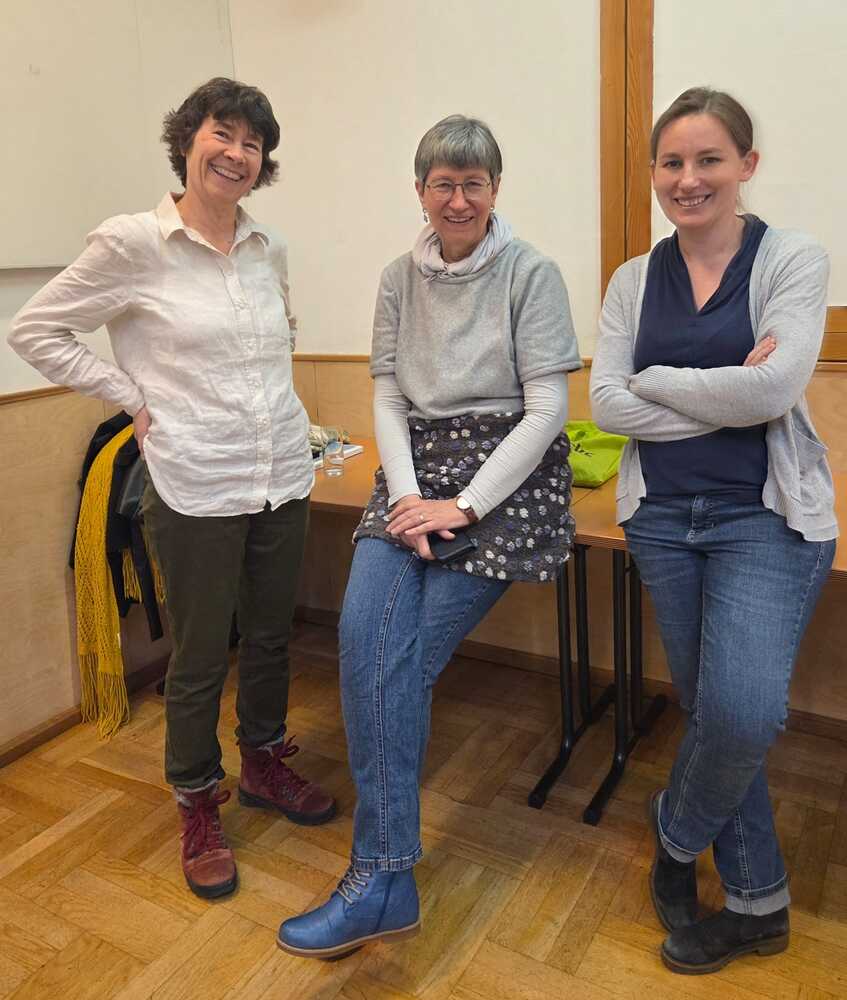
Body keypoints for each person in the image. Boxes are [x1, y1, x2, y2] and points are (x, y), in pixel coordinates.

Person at [8, 77, 336, 900]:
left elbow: (270, 348)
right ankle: (196, 798)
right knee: (198, 654)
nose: (236, 153)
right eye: (222, 134)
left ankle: (263, 762)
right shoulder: (133, 243)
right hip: (194, 482)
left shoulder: (268, 247)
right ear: (188, 140)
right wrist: (129, 395)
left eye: (252, 144)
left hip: (280, 472)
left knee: (271, 635)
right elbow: (35, 328)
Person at [277, 114, 582, 958]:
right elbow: (386, 395)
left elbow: (547, 410)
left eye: (472, 184)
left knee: (394, 660)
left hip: (505, 478)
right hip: (413, 474)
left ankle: (380, 877)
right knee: (361, 638)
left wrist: (464, 506)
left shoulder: (530, 272)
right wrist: (411, 498)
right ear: (419, 191)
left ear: (494, 190)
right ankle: (387, 880)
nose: (457, 200)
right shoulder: (396, 278)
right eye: (442, 184)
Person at [590, 87, 837, 975]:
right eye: (671, 162)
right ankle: (757, 903)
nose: (686, 179)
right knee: (710, 713)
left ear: (745, 166)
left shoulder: (792, 258)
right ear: (654, 172)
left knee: (742, 711)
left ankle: (674, 832)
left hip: (762, 518)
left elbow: (771, 392)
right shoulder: (631, 278)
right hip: (661, 517)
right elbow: (604, 404)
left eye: (707, 160)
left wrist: (656, 379)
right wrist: (724, 385)